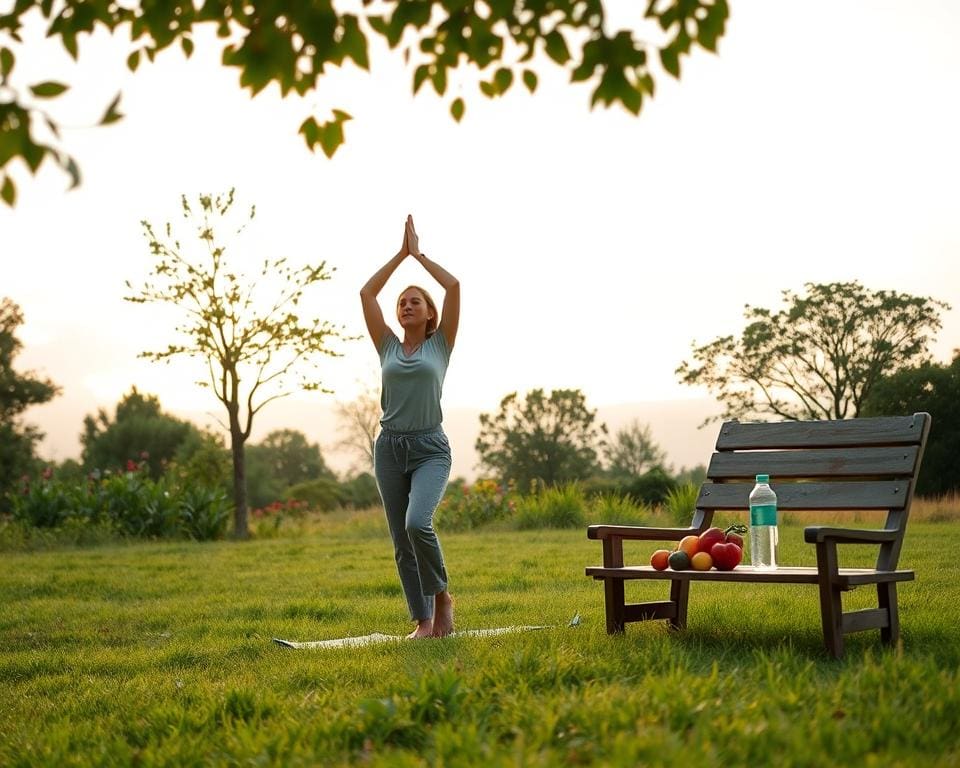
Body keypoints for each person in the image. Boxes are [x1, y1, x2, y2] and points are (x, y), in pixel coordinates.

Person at [360, 214, 460, 639]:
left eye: (415, 301)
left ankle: (443, 599)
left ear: (429, 312)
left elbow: (453, 286)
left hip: (430, 448)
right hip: (389, 448)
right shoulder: (386, 344)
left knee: (417, 523)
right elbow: (367, 293)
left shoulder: (441, 344)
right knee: (402, 542)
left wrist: (418, 255)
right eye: (401, 302)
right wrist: (398, 255)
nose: (406, 305)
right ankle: (423, 621)